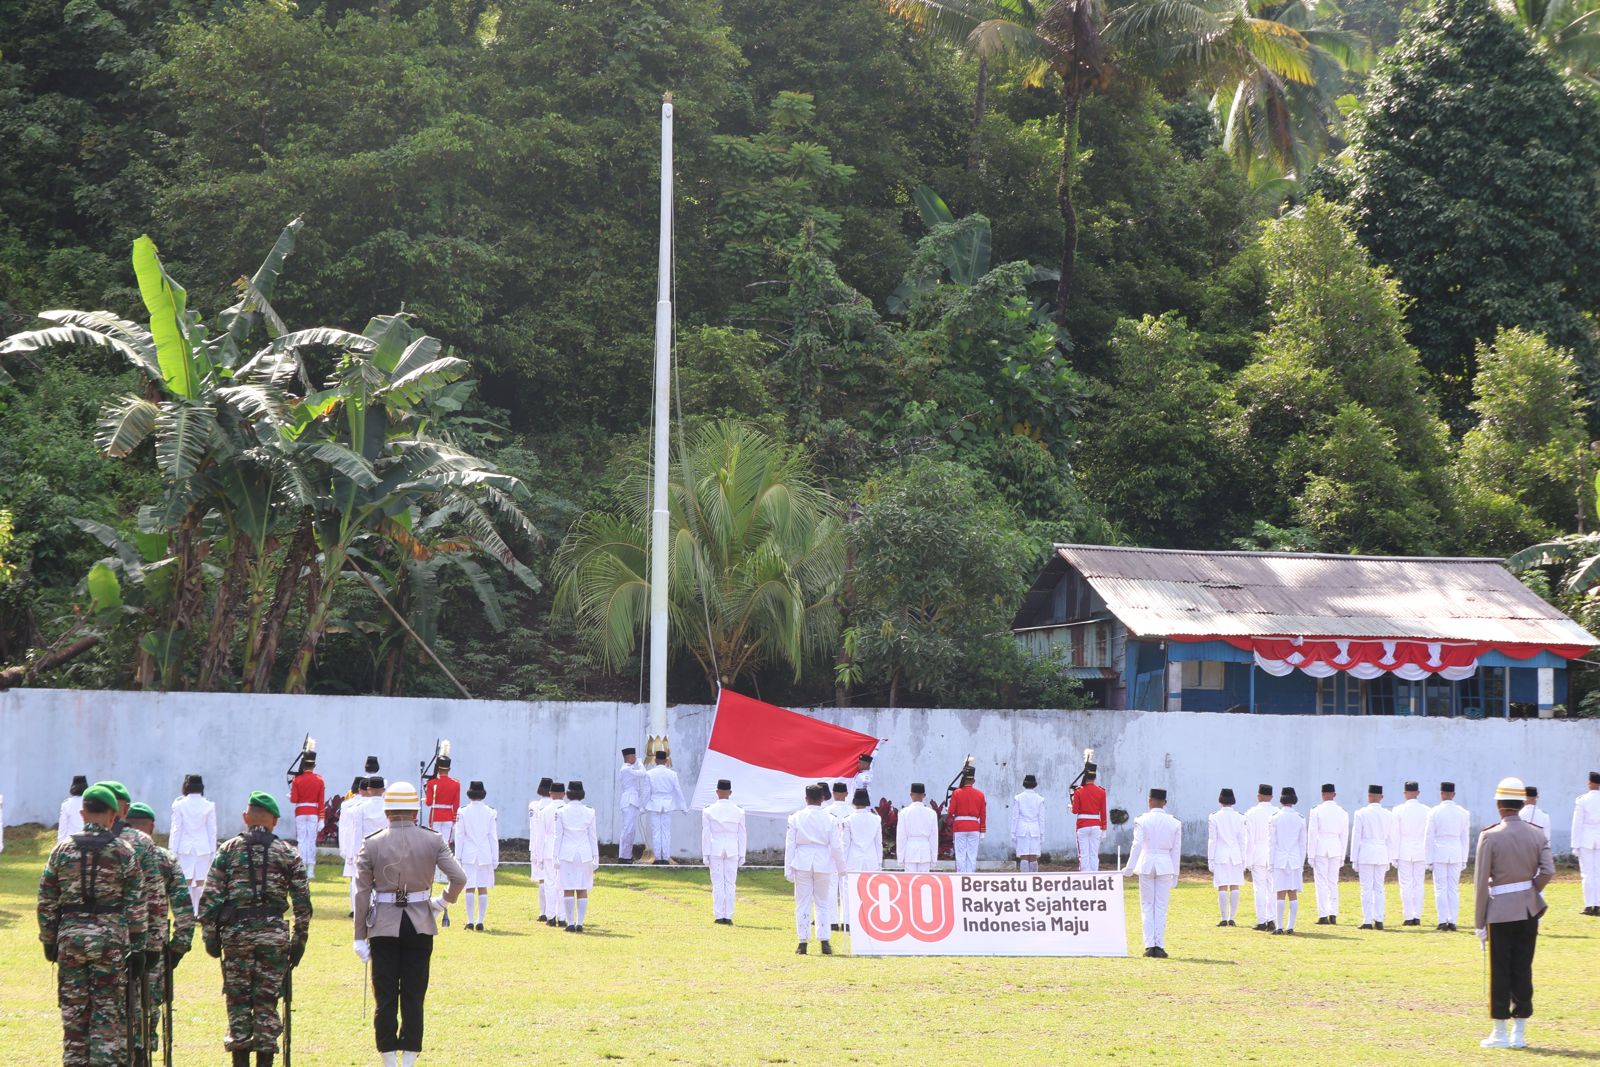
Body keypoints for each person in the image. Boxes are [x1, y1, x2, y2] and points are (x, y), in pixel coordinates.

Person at [354, 780, 465, 1067]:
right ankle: (410, 1059)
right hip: (420, 923)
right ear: (416, 811)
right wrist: (442, 902)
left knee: (386, 994)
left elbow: (362, 892)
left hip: (384, 925)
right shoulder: (432, 839)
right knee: (414, 994)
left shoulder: (372, 842)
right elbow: (459, 878)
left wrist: (358, 936)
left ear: (387, 811)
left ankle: (388, 1057)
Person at [38, 782, 147, 1067]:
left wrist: (49, 939)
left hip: (71, 939)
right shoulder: (123, 851)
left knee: (74, 1013)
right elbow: (136, 902)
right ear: (113, 815)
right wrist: (138, 944)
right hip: (109, 941)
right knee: (107, 1011)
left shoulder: (61, 850)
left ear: (83, 813)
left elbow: (47, 899)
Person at [199, 791, 311, 1067]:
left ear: (246, 818)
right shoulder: (287, 852)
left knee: (238, 1001)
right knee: (267, 1000)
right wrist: (299, 940)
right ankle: (264, 1062)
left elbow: (210, 898)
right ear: (274, 821)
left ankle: (240, 1060)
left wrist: (210, 937)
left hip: (236, 936)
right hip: (273, 937)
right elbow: (302, 903)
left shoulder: (228, 850)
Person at [1474, 776, 1556, 1050]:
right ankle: (1519, 1031)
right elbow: (1548, 871)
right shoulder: (1536, 833)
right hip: (1528, 909)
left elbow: (1480, 883)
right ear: (1522, 804)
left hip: (1498, 912)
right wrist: (1530, 891)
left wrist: (1478, 921)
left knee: (1500, 970)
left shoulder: (1490, 835)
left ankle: (1499, 1031)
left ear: (1499, 805)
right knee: (1523, 968)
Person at [125, 802, 197, 1066]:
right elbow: (184, 909)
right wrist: (178, 948)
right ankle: (142, 1054)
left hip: (117, 942)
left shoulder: (113, 851)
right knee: (147, 1008)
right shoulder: (164, 859)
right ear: (152, 828)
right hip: (154, 945)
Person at [785, 784, 845, 955]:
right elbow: (836, 846)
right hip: (823, 862)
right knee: (822, 903)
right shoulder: (830, 819)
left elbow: (790, 845)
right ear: (822, 799)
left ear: (806, 799)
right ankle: (824, 942)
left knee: (802, 903)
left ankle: (802, 942)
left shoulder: (796, 817)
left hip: (802, 861)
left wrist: (788, 869)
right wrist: (841, 868)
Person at [1121, 787, 1181, 957]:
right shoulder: (1174, 822)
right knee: (1161, 906)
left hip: (1146, 863)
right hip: (1165, 864)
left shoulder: (1142, 820)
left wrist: (1129, 867)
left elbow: (1137, 844)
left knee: (1147, 905)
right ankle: (1159, 945)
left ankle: (1149, 945)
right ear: (1165, 803)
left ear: (1149, 801)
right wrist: (1175, 873)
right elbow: (1176, 851)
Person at [700, 779, 747, 925]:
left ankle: (719, 915)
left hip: (715, 848)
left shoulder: (708, 810)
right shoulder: (739, 810)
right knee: (730, 883)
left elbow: (706, 834)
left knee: (718, 883)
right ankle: (729, 916)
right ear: (730, 793)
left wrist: (705, 853)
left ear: (717, 792)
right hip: (733, 848)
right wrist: (742, 853)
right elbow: (742, 834)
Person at [1350, 784, 1397, 930]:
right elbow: (1391, 838)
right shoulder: (1388, 814)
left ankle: (1367, 920)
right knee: (1379, 887)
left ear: (1368, 796)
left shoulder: (1361, 813)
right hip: (1381, 852)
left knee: (1366, 888)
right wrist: (1390, 857)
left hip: (1366, 853)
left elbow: (1356, 837)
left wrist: (1354, 858)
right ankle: (1379, 919)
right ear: (1381, 797)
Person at [1427, 780, 1472, 931]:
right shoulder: (1463, 812)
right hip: (1456, 851)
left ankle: (1442, 921)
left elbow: (1428, 836)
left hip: (1439, 851)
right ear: (1453, 794)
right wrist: (1464, 857)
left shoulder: (1434, 811)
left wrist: (1428, 858)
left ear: (1441, 794)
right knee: (1453, 888)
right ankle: (1452, 920)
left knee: (1440, 888)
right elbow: (1465, 837)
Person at [453, 780, 499, 931]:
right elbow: (493, 836)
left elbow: (459, 835)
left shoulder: (463, 811)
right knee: (482, 887)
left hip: (468, 853)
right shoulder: (490, 811)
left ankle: (470, 920)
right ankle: (480, 920)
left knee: (470, 887)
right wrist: (495, 857)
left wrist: (457, 856)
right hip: (485, 852)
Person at [171, 773, 218, 914]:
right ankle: (197, 911)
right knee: (200, 882)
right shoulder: (209, 805)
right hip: (203, 848)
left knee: (185, 881)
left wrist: (172, 850)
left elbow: (176, 829)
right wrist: (213, 851)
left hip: (184, 848)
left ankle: (188, 911)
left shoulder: (179, 805)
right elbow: (212, 831)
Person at [556, 780, 599, 933]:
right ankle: (580, 922)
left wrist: (555, 856)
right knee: (582, 888)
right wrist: (596, 856)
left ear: (567, 794)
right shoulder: (590, 811)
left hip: (567, 853)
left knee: (568, 888)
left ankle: (571, 922)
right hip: (585, 853)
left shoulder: (561, 811)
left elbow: (558, 836)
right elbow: (593, 836)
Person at [841, 787, 883, 932]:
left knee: (849, 891)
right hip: (871, 858)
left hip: (853, 858)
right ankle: (869, 920)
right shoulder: (876, 819)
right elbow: (879, 843)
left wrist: (842, 863)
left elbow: (845, 844)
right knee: (870, 890)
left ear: (854, 802)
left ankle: (848, 921)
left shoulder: (848, 820)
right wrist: (879, 862)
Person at [1306, 783, 1349, 925]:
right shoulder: (1342, 812)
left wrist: (1310, 854)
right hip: (1335, 847)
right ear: (1334, 795)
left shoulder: (1317, 810)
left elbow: (1312, 834)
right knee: (1333, 882)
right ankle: (1333, 914)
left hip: (1321, 847)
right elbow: (1344, 835)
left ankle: (1323, 914)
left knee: (1321, 883)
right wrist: (1343, 855)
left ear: (1322, 794)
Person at [1392, 780, 1431, 926]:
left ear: (1405, 793)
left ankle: (1408, 916)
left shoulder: (1398, 810)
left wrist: (1394, 855)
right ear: (1418, 793)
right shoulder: (1427, 810)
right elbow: (1429, 835)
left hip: (1404, 850)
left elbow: (1395, 835)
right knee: (1418, 884)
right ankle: (1417, 915)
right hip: (1421, 849)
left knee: (1406, 884)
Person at [1269, 786, 1306, 936]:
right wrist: (1301, 862)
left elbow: (1272, 843)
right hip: (1295, 859)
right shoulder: (1300, 818)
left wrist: (1270, 862)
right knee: (1292, 893)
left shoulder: (1275, 817)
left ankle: (1279, 926)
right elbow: (1303, 844)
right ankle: (1290, 926)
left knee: (1280, 892)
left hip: (1279, 858)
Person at [1207, 788, 1246, 926]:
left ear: (1220, 800)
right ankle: (1232, 917)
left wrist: (1210, 859)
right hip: (1235, 854)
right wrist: (1243, 858)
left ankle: (1224, 918)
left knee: (1222, 886)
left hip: (1220, 854)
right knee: (1235, 886)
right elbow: (1242, 840)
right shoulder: (1240, 817)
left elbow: (1212, 840)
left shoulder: (1214, 817)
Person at [643, 751, 686, 864]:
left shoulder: (649, 773)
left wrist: (643, 807)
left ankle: (658, 858)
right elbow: (678, 791)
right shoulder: (672, 774)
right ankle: (665, 858)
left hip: (654, 804)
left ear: (655, 760)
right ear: (666, 761)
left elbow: (646, 792)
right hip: (667, 804)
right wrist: (683, 806)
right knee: (666, 832)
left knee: (656, 832)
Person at [1244, 784, 1276, 931]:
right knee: (1272, 888)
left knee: (1259, 888)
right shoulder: (1277, 812)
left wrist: (1247, 859)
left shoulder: (1251, 813)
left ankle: (1262, 920)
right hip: (1273, 853)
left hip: (1257, 851)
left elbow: (1248, 839)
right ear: (1271, 797)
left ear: (1258, 796)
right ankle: (1272, 919)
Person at [288, 747, 325, 876]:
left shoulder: (297, 780)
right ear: (314, 765)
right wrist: (322, 818)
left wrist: (290, 796)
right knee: (311, 840)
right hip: (314, 812)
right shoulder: (319, 780)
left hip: (300, 812)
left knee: (301, 840)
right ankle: (311, 870)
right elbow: (321, 801)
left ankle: (302, 866)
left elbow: (294, 799)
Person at [538, 782, 568, 926]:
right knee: (562, 884)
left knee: (549, 883)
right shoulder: (566, 809)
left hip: (548, 848)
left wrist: (538, 856)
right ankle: (562, 917)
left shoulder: (544, 810)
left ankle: (550, 916)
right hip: (564, 850)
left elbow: (540, 836)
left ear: (550, 794)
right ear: (564, 794)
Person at [339, 777, 369, 917]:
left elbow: (343, 828)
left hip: (351, 844)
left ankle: (354, 908)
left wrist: (343, 849)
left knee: (354, 878)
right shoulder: (365, 805)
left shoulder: (347, 805)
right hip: (367, 844)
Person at [948, 768, 986, 874]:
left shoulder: (957, 793)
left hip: (960, 826)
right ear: (973, 781)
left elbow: (951, 811)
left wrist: (949, 809)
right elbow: (983, 813)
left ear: (963, 780)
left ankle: (961, 876)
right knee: (972, 854)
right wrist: (983, 830)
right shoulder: (980, 794)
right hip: (974, 827)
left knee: (960, 854)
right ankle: (970, 875)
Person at [1071, 764, 1107, 872]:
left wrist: (1071, 804)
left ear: (1084, 777)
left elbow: (1075, 811)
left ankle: (1085, 877)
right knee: (1094, 853)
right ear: (1095, 778)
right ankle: (1094, 876)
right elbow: (1103, 811)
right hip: (1096, 825)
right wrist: (1104, 828)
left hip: (1082, 825)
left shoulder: (1079, 791)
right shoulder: (1101, 791)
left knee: (1084, 854)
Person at [896, 783, 939, 873]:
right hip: (925, 851)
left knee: (910, 881)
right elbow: (934, 837)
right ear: (924, 795)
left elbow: (901, 837)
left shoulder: (904, 812)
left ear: (911, 795)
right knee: (924, 882)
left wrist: (900, 857)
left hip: (910, 851)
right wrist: (934, 858)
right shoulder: (931, 813)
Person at [527, 778, 553, 920]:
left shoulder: (534, 805)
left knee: (542, 880)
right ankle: (552, 911)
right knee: (553, 880)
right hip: (551, 845)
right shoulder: (556, 806)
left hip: (535, 845)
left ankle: (543, 912)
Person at [1574, 771, 1600, 916]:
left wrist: (1575, 844)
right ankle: (1599, 905)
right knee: (1598, 873)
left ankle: (1589, 905)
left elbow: (1577, 824)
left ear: (1589, 783)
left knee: (1587, 874)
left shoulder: (1582, 800)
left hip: (1586, 840)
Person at [422, 751, 460, 848]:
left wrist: (425, 798)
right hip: (448, 816)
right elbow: (456, 804)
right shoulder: (456, 784)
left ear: (438, 768)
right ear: (449, 769)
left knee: (435, 843)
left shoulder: (431, 783)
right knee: (446, 843)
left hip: (435, 815)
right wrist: (455, 819)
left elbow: (429, 803)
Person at [616, 748, 647, 864]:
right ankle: (623, 856)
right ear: (629, 757)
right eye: (634, 756)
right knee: (627, 829)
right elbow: (643, 773)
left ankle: (627, 856)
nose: (635, 758)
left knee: (631, 830)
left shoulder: (629, 768)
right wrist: (640, 763)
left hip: (632, 801)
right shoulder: (626, 769)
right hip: (628, 801)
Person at [1012, 774, 1045, 873]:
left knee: (1024, 855)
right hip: (1035, 828)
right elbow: (1042, 819)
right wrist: (1042, 833)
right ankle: (1034, 879)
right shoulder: (1040, 799)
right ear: (1035, 785)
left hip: (1022, 828)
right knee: (1033, 855)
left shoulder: (1018, 798)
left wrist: (1013, 832)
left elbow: (1015, 817)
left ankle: (1024, 879)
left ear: (1024, 784)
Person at [58, 774, 89, 843]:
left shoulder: (66, 804)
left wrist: (59, 844)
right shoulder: (90, 802)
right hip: (88, 840)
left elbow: (63, 827)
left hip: (71, 842)